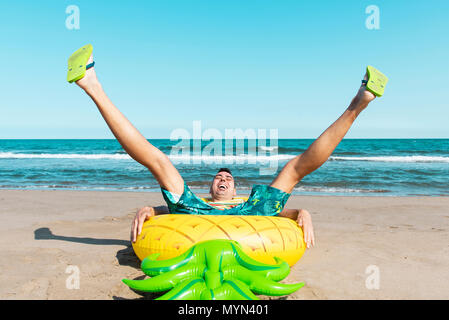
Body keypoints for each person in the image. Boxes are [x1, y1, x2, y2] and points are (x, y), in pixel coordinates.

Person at [73, 51, 378, 251]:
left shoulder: (253, 204)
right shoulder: (193, 202)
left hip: (248, 215)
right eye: (218, 177)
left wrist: (302, 212)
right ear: (210, 187)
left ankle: (359, 102)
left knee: (296, 168)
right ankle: (92, 85)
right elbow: (170, 212)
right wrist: (151, 210)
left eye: (227, 178)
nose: (223, 179)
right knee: (158, 161)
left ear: (235, 189)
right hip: (196, 214)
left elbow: (280, 214)